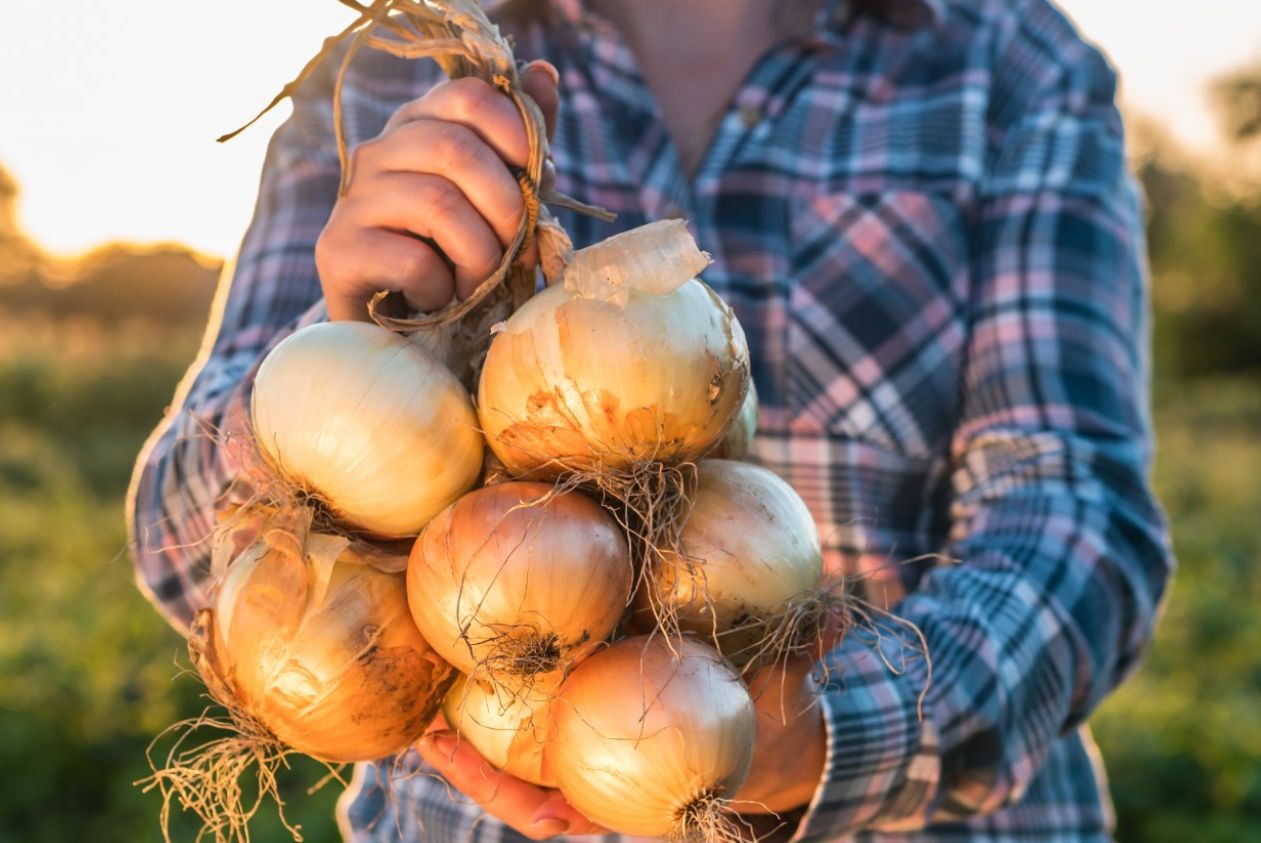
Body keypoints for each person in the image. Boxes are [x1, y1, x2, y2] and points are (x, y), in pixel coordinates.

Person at [128, 0, 1174, 839]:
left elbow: (1076, 516)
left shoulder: (1008, 63)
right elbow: (174, 542)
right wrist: (358, 338)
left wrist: (813, 736)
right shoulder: (404, 57)